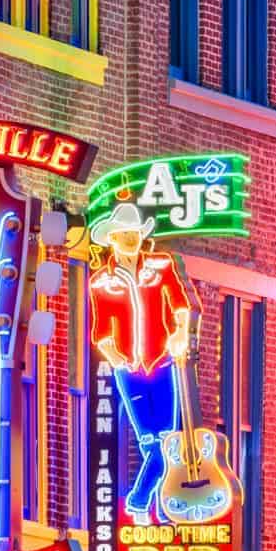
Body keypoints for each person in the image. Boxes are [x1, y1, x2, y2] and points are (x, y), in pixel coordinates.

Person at [86, 203, 195, 520]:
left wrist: (180, 335)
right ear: (113, 239)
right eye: (123, 234)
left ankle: (139, 502)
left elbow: (180, 305)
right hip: (130, 374)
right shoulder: (101, 283)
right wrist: (118, 359)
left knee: (165, 445)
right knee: (152, 444)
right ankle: (158, 506)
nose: (129, 239)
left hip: (162, 366)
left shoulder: (160, 266)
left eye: (134, 233)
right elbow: (100, 332)